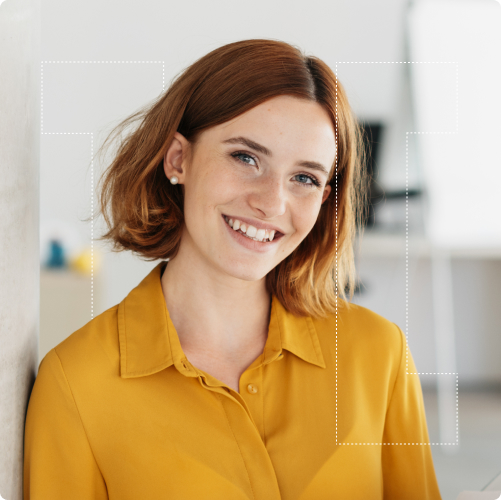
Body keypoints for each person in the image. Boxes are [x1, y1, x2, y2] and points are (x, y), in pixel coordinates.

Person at [23, 39, 442, 499]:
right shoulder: (76, 383)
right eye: (246, 158)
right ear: (178, 159)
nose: (271, 203)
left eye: (304, 178)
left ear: (324, 199)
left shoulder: (378, 355)